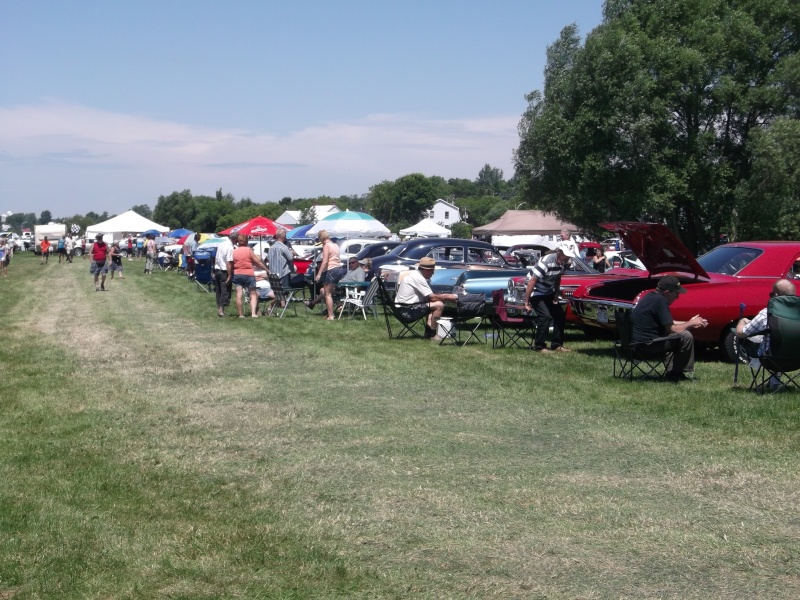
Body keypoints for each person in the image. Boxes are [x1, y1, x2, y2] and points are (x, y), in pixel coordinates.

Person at [632, 275, 708, 381]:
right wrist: (690, 323)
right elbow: (672, 329)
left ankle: (672, 371)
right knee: (685, 336)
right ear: (667, 292)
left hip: (635, 345)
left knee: (674, 336)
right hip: (648, 346)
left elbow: (668, 323)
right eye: (676, 293)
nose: (678, 297)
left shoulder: (650, 297)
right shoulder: (661, 301)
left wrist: (690, 322)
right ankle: (677, 373)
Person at [395, 256, 459, 341]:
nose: (433, 273)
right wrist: (448, 297)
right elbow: (432, 297)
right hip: (407, 312)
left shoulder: (414, 275)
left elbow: (429, 297)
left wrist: (440, 297)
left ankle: (428, 334)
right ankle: (432, 335)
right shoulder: (419, 278)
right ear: (426, 270)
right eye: (432, 271)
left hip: (402, 309)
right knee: (439, 305)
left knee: (432, 306)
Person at [736, 278, 797, 365]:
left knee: (747, 340)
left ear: (775, 295)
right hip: (796, 360)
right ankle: (775, 378)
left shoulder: (768, 313)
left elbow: (741, 333)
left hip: (771, 358)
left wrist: (742, 322)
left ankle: (773, 376)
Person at [523, 248, 572, 353]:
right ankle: (539, 346)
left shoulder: (565, 263)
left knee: (559, 314)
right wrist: (526, 303)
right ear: (559, 252)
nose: (567, 258)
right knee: (545, 316)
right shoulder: (546, 262)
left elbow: (557, 276)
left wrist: (556, 292)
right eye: (566, 255)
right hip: (535, 291)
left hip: (547, 291)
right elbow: (532, 281)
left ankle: (557, 344)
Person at [307, 230, 344, 320]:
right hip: (339, 270)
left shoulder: (326, 246)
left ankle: (331, 315)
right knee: (328, 292)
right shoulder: (335, 245)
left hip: (331, 270)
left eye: (319, 239)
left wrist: (319, 274)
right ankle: (329, 313)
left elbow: (325, 261)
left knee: (327, 294)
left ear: (322, 238)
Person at [232, 234, 268, 318]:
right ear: (246, 242)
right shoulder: (249, 250)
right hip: (249, 274)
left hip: (238, 274)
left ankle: (241, 314)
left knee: (239, 294)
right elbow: (258, 262)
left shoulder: (234, 251)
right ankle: (253, 313)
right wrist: (267, 270)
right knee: (253, 294)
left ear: (238, 241)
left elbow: (231, 263)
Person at [213, 233, 236, 317]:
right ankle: (221, 311)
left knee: (218, 291)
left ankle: (219, 308)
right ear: (234, 240)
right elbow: (229, 262)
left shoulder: (221, 243)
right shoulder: (230, 247)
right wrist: (230, 275)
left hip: (217, 269)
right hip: (224, 271)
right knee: (225, 291)